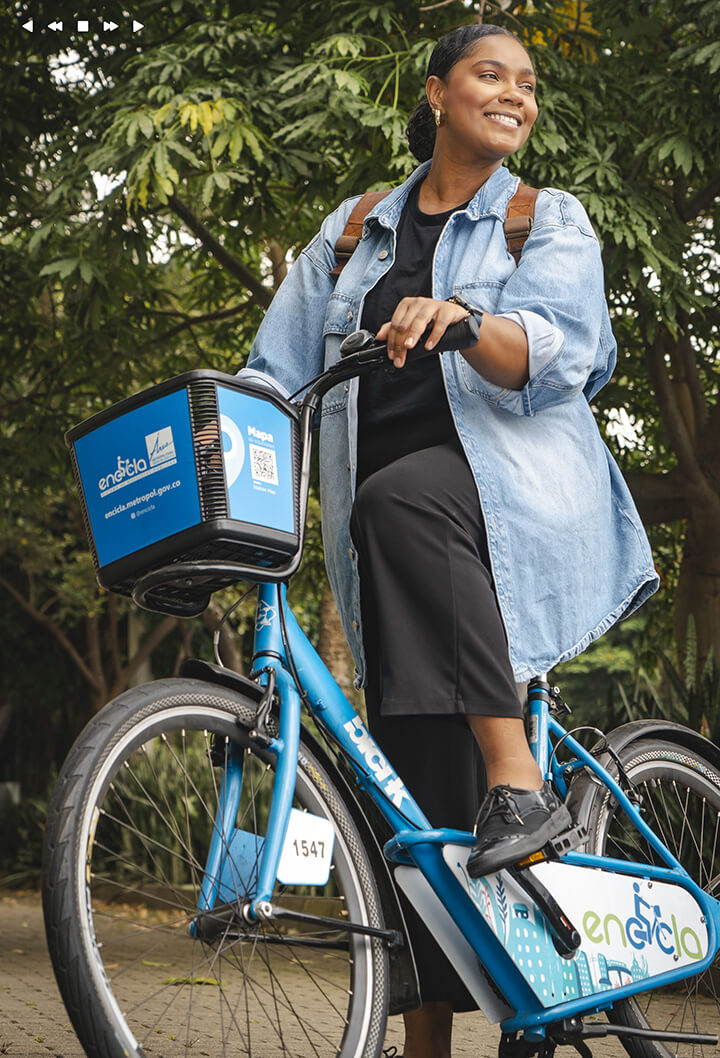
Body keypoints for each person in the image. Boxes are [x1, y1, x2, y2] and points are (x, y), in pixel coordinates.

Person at [239, 22, 658, 1058]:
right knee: (406, 788)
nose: (515, 93)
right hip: (399, 547)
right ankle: (428, 1040)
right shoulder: (350, 234)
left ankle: (515, 772)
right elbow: (271, 371)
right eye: (490, 74)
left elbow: (566, 351)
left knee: (401, 498)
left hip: (512, 500)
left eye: (527, 83)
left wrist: (468, 318)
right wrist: (213, 422)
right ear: (436, 92)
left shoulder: (540, 219)